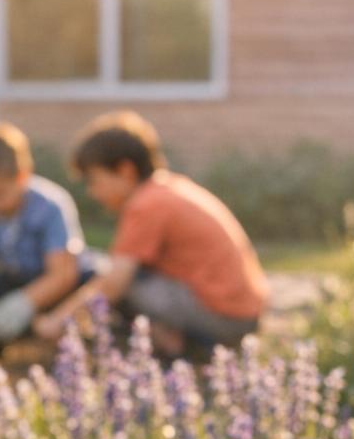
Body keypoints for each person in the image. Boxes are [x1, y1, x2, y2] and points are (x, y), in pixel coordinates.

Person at [35, 110, 268, 355]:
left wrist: (56, 322)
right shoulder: (168, 188)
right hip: (244, 313)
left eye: (94, 180)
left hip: (224, 319)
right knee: (117, 272)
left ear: (125, 171)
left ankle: (181, 344)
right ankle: (171, 337)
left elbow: (113, 284)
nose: (92, 192)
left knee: (103, 276)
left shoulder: (146, 204)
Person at [0, 121, 87, 345]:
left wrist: (24, 302)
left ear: (22, 177)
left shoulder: (50, 205)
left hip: (52, 283)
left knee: (91, 279)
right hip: (7, 280)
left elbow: (63, 274)